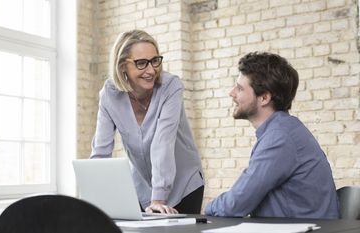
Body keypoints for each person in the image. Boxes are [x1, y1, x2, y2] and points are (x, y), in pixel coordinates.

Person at [205, 52, 340, 219]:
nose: (231, 93)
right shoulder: (283, 130)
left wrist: (208, 208)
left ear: (264, 98)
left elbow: (237, 203)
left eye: (240, 88)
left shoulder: (279, 137)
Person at [90, 29, 204, 214]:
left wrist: (158, 199)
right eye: (141, 63)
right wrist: (93, 199)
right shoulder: (109, 95)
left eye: (155, 61)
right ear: (122, 66)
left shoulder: (170, 87)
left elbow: (162, 143)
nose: (151, 70)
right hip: (143, 185)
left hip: (184, 185)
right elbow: (101, 152)